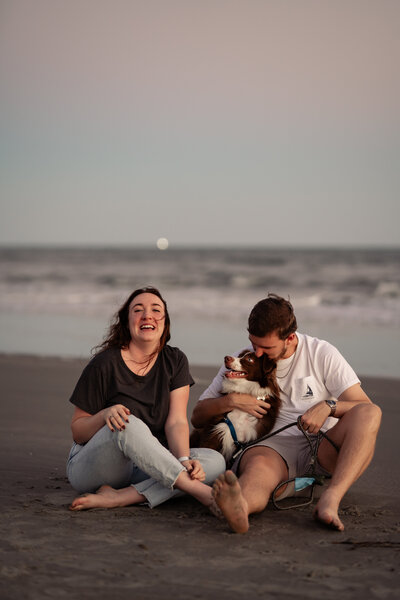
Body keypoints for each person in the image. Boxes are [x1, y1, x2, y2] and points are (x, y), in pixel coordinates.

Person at [191, 294, 382, 533]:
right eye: (253, 343)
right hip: (272, 448)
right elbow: (197, 416)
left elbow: (364, 406)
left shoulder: (321, 353)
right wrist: (231, 400)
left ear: (290, 338)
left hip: (322, 447)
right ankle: (240, 508)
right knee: (259, 467)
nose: (257, 353)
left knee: (369, 415)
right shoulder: (243, 360)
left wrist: (329, 406)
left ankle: (331, 500)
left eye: (266, 347)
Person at [67, 286, 225, 512]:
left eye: (156, 310)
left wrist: (182, 460)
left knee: (214, 462)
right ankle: (203, 493)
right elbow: (78, 431)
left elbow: (177, 422)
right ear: (127, 321)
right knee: (126, 421)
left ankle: (120, 497)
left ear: (165, 321)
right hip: (95, 468)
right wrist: (105, 415)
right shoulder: (104, 364)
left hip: (147, 465)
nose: (147, 315)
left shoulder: (175, 360)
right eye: (138, 310)